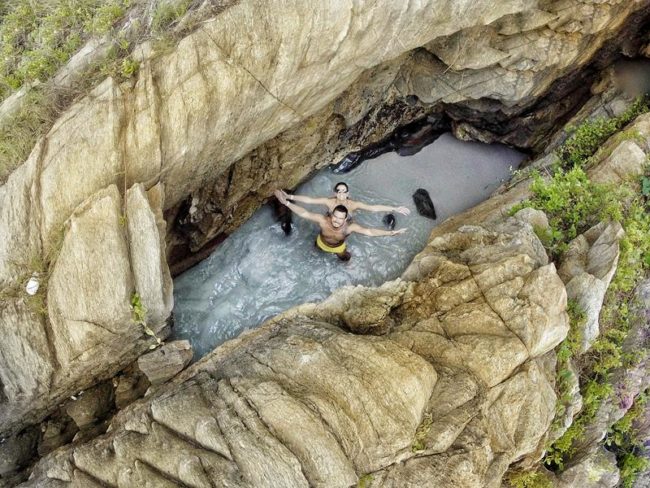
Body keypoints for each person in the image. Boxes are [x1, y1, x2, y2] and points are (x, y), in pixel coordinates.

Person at [274, 190, 406, 261]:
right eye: (335, 217)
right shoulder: (323, 220)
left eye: (340, 218)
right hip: (321, 241)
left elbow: (370, 231)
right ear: (331, 215)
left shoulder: (349, 227)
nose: (336, 220)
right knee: (316, 247)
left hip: (338, 247)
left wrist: (390, 233)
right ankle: (316, 252)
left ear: (345, 219)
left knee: (345, 258)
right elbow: (304, 213)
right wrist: (287, 203)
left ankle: (348, 264)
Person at [275, 182, 411, 217]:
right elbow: (310, 200)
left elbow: (373, 208)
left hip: (348, 220)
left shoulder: (353, 204)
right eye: (338, 191)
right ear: (335, 193)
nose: (341, 194)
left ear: (347, 193)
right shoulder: (329, 201)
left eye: (343, 191)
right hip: (330, 218)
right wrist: (289, 197)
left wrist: (394, 208)